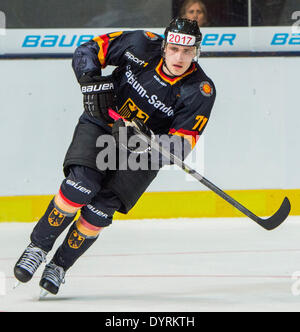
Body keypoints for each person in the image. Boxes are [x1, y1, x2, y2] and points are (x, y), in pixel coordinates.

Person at [13, 18, 216, 296]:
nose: (179, 57)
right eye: (173, 49)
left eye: (187, 51)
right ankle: (37, 247)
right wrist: (90, 82)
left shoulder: (200, 90)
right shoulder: (141, 43)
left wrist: (150, 144)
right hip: (103, 125)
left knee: (99, 211)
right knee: (79, 186)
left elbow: (181, 145)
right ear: (164, 46)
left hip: (143, 153)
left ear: (196, 52)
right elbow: (89, 50)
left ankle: (59, 266)